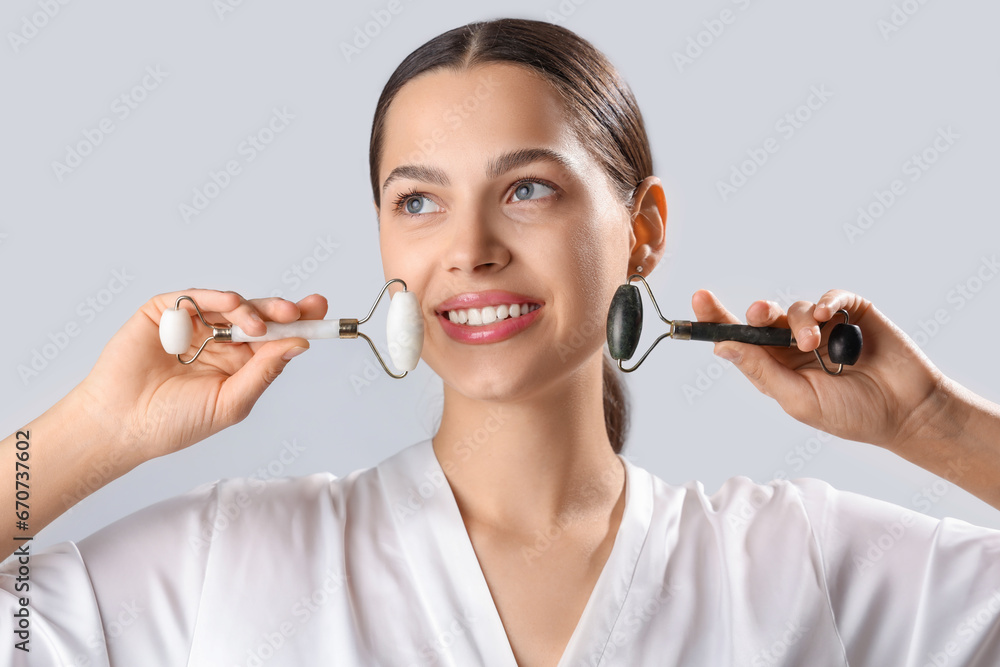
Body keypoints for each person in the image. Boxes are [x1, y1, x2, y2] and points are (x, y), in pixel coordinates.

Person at [3, 17, 1000, 667]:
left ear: (642, 228)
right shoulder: (226, 561)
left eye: (526, 188)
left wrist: (930, 421)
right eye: (419, 201)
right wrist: (94, 430)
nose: (469, 249)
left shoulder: (806, 563)